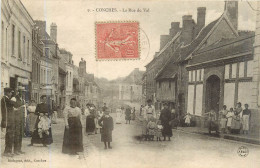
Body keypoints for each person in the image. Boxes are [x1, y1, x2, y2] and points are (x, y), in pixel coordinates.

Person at [1, 88, 16, 157]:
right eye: (10, 92)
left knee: (10, 136)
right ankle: (7, 152)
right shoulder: (4, 99)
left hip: (10, 120)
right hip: (8, 121)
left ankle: (8, 151)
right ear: (7, 92)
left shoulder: (7, 99)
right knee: (9, 136)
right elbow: (13, 104)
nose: (11, 94)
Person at [12, 86, 26, 154]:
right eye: (21, 91)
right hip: (16, 119)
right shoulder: (14, 99)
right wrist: (19, 108)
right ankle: (15, 150)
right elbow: (11, 109)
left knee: (20, 134)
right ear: (18, 91)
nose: (22, 93)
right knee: (16, 134)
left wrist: (25, 118)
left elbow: (24, 111)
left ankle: (19, 149)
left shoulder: (23, 100)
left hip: (21, 119)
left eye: (23, 92)